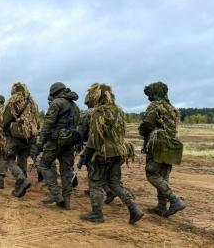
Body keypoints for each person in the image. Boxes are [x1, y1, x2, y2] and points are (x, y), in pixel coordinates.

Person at [78, 83, 143, 224]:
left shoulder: (98, 113)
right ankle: (134, 208)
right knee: (115, 183)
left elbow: (95, 138)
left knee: (95, 182)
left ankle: (97, 213)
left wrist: (84, 156)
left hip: (102, 154)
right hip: (118, 153)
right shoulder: (118, 111)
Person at [139, 81, 186, 217]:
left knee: (152, 173)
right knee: (163, 176)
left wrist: (141, 131)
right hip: (171, 146)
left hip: (158, 146)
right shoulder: (171, 108)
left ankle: (174, 200)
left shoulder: (155, 106)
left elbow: (147, 124)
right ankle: (161, 207)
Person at [38, 82, 80, 209]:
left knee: (44, 165)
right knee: (66, 171)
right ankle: (66, 201)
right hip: (69, 142)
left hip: (55, 141)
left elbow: (48, 124)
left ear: (54, 93)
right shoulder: (75, 106)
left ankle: (56, 194)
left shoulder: (57, 103)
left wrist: (40, 142)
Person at [77, 89, 117, 204]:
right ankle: (104, 190)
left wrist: (80, 144)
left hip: (93, 146)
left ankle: (107, 192)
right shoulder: (109, 111)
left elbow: (81, 132)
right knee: (96, 171)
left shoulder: (89, 113)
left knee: (93, 171)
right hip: (109, 148)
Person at [2, 83, 39, 196]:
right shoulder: (32, 102)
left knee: (9, 158)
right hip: (30, 136)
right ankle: (19, 188)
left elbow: (6, 119)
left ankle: (22, 179)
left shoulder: (13, 101)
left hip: (16, 136)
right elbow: (36, 119)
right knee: (22, 159)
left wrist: (4, 130)